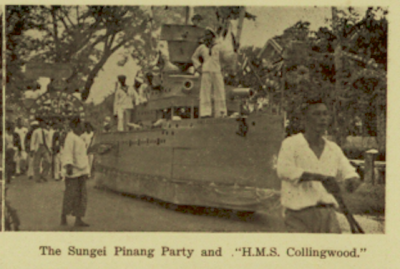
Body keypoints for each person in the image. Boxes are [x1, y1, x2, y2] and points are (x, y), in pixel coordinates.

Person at [276, 97, 361, 233]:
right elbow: (284, 170)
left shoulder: (333, 148)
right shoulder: (291, 143)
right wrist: (321, 177)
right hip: (299, 217)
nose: (323, 118)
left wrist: (352, 181)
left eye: (325, 114)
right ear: (305, 119)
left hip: (329, 216)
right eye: (316, 114)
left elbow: (349, 171)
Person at [191, 28, 227, 118]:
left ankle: (221, 112)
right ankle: (205, 113)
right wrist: (199, 67)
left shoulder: (219, 46)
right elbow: (194, 57)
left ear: (213, 35)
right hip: (206, 72)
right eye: (205, 34)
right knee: (205, 92)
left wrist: (222, 67)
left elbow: (226, 58)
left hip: (217, 71)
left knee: (220, 91)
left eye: (208, 34)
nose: (207, 36)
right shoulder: (202, 47)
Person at [61, 117, 90, 227]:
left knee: (82, 195)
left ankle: (78, 219)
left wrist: (86, 170)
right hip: (73, 170)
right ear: (75, 126)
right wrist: (69, 165)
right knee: (70, 195)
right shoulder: (70, 137)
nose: (82, 127)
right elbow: (68, 152)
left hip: (82, 169)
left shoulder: (79, 138)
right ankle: (63, 217)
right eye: (80, 125)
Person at [30, 118, 51, 183]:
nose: (43, 124)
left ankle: (44, 175)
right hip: (38, 147)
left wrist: (49, 149)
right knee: (36, 163)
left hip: (44, 147)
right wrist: (32, 149)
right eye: (42, 123)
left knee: (48, 161)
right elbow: (33, 140)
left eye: (44, 123)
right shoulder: (36, 131)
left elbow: (48, 141)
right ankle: (37, 177)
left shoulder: (46, 132)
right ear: (40, 124)